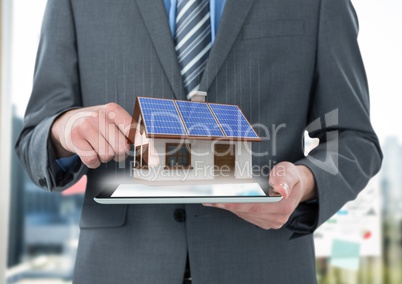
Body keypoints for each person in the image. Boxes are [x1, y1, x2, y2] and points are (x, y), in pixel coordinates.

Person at [16, 0, 382, 283]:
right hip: (120, 266)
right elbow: (34, 137)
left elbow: (354, 139)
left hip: (264, 267)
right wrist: (65, 129)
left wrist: (305, 182)